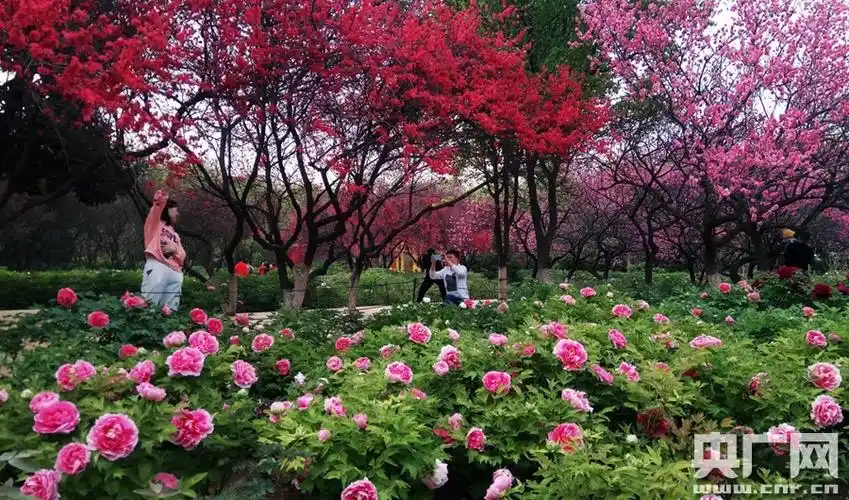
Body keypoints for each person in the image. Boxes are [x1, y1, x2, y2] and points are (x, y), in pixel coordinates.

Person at [141, 190, 186, 309]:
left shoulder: (175, 234)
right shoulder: (154, 223)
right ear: (168, 208)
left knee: (170, 311)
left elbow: (183, 255)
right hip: (157, 266)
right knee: (149, 306)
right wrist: (166, 189)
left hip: (175, 272)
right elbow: (158, 204)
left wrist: (174, 249)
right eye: (176, 210)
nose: (178, 214)